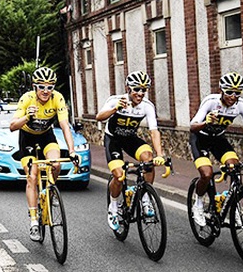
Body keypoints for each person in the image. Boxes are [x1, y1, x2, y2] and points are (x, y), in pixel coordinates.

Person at [9, 67, 80, 241]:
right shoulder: (27, 99)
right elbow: (12, 126)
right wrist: (27, 116)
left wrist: (72, 150)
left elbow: (64, 126)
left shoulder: (57, 98)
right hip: (27, 139)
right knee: (32, 176)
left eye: (50, 87)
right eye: (42, 87)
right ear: (35, 87)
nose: (46, 91)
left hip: (47, 136)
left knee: (56, 163)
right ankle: (34, 221)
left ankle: (50, 190)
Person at [189, 72, 243, 226]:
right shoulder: (211, 101)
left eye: (237, 92)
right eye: (229, 92)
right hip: (200, 139)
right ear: (222, 90)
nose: (233, 96)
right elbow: (193, 126)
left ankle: (234, 206)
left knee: (234, 166)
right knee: (207, 173)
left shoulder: (242, 105)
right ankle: (197, 204)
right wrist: (206, 121)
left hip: (218, 139)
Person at [95, 71, 165, 231]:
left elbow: (154, 131)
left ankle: (146, 197)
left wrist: (160, 154)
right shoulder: (116, 100)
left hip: (130, 139)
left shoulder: (147, 106)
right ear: (128, 88)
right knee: (119, 176)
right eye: (136, 89)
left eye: (143, 90)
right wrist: (115, 109)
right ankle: (113, 207)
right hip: (113, 139)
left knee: (148, 159)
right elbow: (99, 117)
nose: (140, 93)